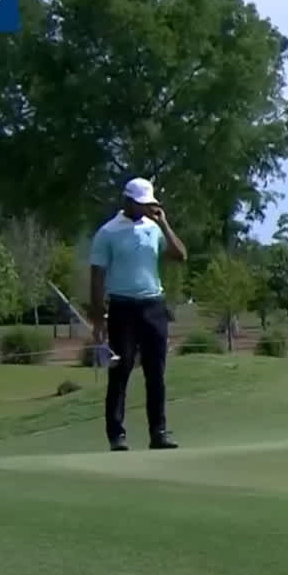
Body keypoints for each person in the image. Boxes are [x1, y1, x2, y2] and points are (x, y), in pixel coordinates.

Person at [89, 177, 187, 452]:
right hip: (122, 307)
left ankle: (159, 431)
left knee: (156, 372)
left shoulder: (154, 229)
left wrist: (164, 223)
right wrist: (98, 319)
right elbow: (96, 276)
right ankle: (116, 435)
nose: (146, 209)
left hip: (153, 306)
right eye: (142, 204)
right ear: (128, 201)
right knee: (121, 372)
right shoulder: (107, 232)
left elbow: (181, 255)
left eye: (150, 204)